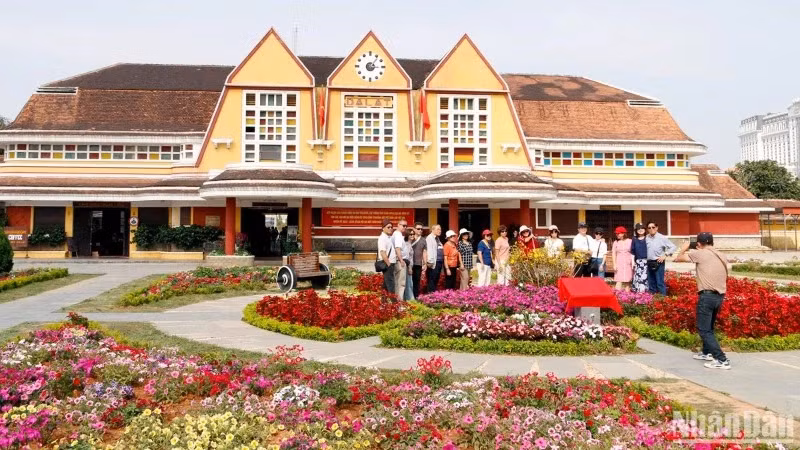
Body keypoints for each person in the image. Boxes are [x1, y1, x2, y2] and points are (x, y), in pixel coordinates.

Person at [674, 232, 731, 370]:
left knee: (704, 330)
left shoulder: (700, 254)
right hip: (719, 296)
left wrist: (684, 247)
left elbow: (678, 258)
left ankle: (721, 359)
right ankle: (707, 353)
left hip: (707, 296)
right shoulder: (721, 254)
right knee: (709, 327)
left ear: (699, 243)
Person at [645, 221, 676, 295]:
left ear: (657, 228)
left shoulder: (662, 237)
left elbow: (673, 247)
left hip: (658, 262)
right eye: (649, 228)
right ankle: (652, 298)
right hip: (649, 262)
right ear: (647, 229)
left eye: (653, 227)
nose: (651, 229)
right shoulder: (646, 238)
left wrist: (665, 255)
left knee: (660, 282)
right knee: (651, 282)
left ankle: (663, 298)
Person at [391, 219, 409, 301]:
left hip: (399, 261)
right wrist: (401, 260)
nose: (405, 227)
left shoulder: (397, 234)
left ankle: (397, 300)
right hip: (399, 261)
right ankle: (399, 301)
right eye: (403, 225)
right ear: (398, 225)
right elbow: (397, 248)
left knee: (398, 282)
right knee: (401, 283)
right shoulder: (398, 235)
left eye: (406, 226)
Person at [377, 219, 395, 294]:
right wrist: (389, 264)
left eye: (391, 227)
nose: (390, 229)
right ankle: (393, 300)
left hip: (390, 263)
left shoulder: (388, 237)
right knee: (390, 284)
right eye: (388, 227)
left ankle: (383, 299)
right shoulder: (382, 238)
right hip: (387, 264)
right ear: (383, 228)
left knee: (386, 284)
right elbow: (382, 252)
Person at [612, 226, 633, 291]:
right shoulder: (616, 242)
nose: (617, 235)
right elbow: (613, 254)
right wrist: (614, 264)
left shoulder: (630, 241)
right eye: (616, 233)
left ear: (623, 233)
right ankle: (617, 294)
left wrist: (633, 263)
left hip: (628, 263)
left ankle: (627, 295)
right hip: (619, 262)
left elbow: (633, 252)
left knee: (627, 281)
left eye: (618, 233)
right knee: (618, 280)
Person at [425, 224, 444, 293]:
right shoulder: (429, 238)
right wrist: (429, 262)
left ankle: (434, 294)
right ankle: (430, 294)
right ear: (433, 230)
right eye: (438, 229)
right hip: (433, 262)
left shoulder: (437, 238)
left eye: (440, 229)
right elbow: (429, 250)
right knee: (432, 279)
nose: (440, 231)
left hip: (439, 261)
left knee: (436, 279)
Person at [410, 222, 427, 299]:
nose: (420, 230)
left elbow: (424, 252)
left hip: (418, 263)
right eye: (418, 229)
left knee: (416, 281)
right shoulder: (410, 238)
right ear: (414, 229)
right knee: (409, 281)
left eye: (421, 229)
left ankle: (415, 297)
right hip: (409, 264)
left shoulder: (423, 240)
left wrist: (425, 263)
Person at [630, 223, 649, 293]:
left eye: (642, 228)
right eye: (638, 229)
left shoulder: (648, 238)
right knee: (638, 277)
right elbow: (632, 251)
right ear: (636, 230)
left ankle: (646, 292)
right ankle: (639, 292)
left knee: (646, 277)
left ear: (645, 229)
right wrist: (633, 262)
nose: (640, 230)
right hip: (638, 262)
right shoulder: (634, 239)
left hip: (647, 261)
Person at [402, 230, 414, 301]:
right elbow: (407, 258)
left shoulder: (409, 244)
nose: (412, 235)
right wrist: (409, 268)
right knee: (409, 283)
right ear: (407, 236)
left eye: (413, 234)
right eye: (410, 234)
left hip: (409, 266)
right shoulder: (407, 245)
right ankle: (410, 299)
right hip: (407, 266)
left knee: (409, 283)